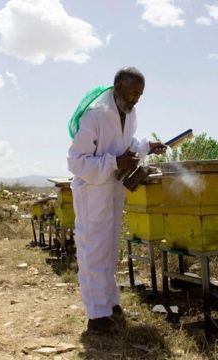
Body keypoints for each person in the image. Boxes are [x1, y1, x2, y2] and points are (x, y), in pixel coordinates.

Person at [67, 66, 166, 333]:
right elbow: (75, 162)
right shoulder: (95, 116)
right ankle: (96, 315)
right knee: (93, 250)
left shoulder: (129, 114)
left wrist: (146, 147)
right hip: (93, 193)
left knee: (109, 249)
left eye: (140, 94)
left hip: (112, 190)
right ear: (118, 87)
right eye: (133, 92)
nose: (136, 99)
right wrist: (114, 162)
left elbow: (125, 145)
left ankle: (109, 304)